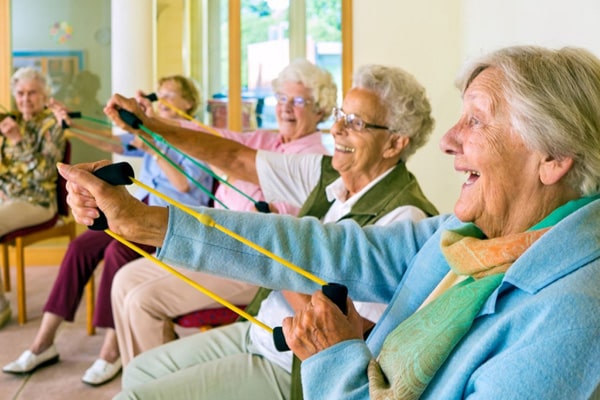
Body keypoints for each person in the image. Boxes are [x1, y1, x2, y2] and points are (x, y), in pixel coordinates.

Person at [64, 45, 600, 399]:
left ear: (551, 157)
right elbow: (319, 246)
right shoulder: (469, 236)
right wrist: (141, 221)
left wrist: (338, 355)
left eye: (477, 120)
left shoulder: (570, 316)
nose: (449, 141)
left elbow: (339, 315)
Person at [107, 63, 438, 400]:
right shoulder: (327, 174)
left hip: (292, 363)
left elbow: (358, 334)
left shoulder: (404, 217)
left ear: (395, 143)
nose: (336, 129)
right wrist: (150, 125)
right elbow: (235, 156)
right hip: (261, 328)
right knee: (139, 371)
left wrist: (273, 259)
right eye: (341, 115)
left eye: (355, 123)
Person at [110, 58, 338, 367]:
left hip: (252, 263)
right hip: (212, 245)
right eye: (282, 98)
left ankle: (155, 384)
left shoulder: (315, 159)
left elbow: (279, 223)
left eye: (298, 101)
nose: (286, 107)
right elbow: (215, 142)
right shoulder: (265, 140)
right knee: (123, 280)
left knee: (141, 301)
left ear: (320, 110)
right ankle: (143, 378)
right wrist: (151, 122)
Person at [2, 75, 213, 387]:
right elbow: (111, 142)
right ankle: (43, 343)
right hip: (146, 209)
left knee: (117, 252)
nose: (163, 99)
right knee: (81, 247)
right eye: (161, 94)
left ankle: (110, 350)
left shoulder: (197, 138)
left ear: (189, 103)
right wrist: (70, 125)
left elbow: (184, 186)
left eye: (171, 94)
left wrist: (153, 145)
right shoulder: (155, 132)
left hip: (176, 223)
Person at [0, 67, 67, 329]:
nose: (26, 99)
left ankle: (1, 308)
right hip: (9, 199)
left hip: (38, 202)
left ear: (44, 95)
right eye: (20, 93)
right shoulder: (12, 119)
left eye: (32, 93)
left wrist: (17, 139)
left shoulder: (52, 124)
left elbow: (45, 173)